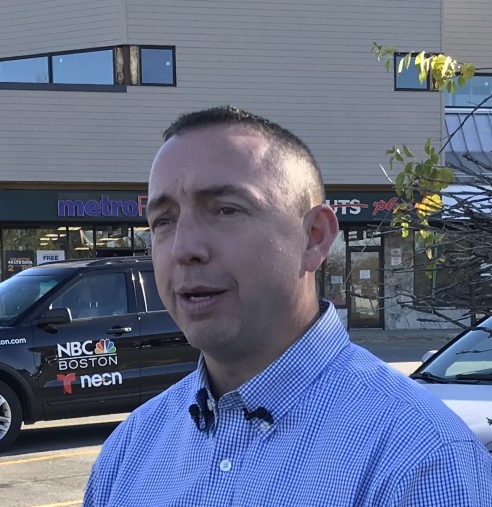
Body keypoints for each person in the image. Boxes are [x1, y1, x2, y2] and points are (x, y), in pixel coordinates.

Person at [84, 106, 492, 506]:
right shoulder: (130, 450)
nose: (184, 247)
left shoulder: (421, 459)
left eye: (226, 210)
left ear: (314, 237)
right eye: (163, 221)